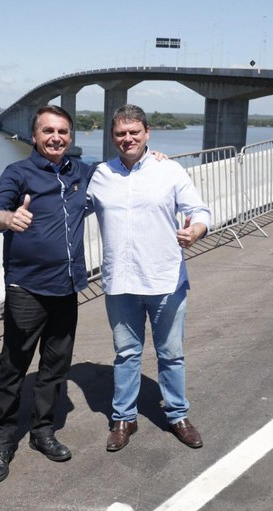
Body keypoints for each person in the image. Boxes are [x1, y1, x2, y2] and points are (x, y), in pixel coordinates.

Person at [86, 104, 212, 452]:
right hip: (120, 282)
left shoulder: (167, 170)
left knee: (171, 354)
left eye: (134, 133)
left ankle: (177, 415)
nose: (128, 139)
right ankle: (124, 418)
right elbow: (65, 201)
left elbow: (199, 211)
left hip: (165, 280)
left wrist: (196, 231)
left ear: (147, 134)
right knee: (126, 354)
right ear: (113, 137)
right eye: (121, 134)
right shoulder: (99, 176)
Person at [0, 105, 90, 483]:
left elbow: (121, 170)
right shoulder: (18, 173)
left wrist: (151, 158)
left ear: (70, 137)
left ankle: (43, 432)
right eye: (48, 131)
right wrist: (8, 219)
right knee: (13, 366)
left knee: (55, 367)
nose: (56, 137)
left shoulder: (81, 172)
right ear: (34, 136)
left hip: (67, 287)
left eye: (62, 131)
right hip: (27, 288)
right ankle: (3, 442)